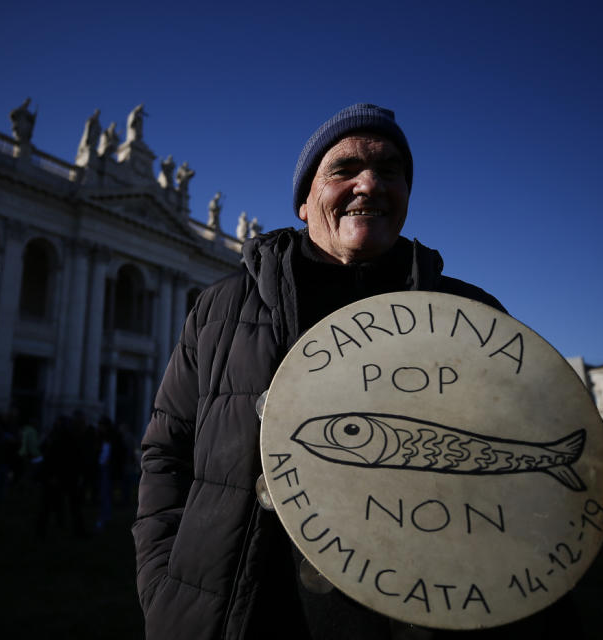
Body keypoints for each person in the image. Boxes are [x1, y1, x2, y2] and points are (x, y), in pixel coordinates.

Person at [133, 104, 579, 639]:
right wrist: (163, 585)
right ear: (304, 201)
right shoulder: (219, 309)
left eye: (390, 171)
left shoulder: (472, 318)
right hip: (250, 616)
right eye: (344, 169)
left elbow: (532, 487)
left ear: (407, 196)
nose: (369, 183)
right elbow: (167, 452)